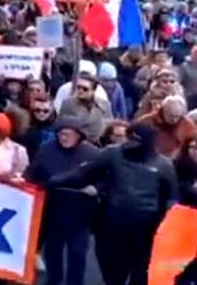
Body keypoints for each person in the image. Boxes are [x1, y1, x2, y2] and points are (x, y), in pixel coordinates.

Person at [48, 122, 179, 285]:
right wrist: (54, 181)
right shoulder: (113, 154)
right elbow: (84, 173)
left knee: (140, 276)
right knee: (113, 275)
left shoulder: (164, 165)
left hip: (146, 230)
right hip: (113, 226)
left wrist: (166, 226)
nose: (129, 146)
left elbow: (172, 198)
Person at [26, 116, 100, 285]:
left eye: (67, 134)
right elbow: (32, 175)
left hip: (80, 213)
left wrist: (96, 188)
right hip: (54, 211)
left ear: (78, 135)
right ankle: (54, 280)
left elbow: (104, 178)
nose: (63, 138)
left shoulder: (92, 153)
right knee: (53, 252)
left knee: (78, 253)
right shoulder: (46, 150)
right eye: (60, 134)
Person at [59, 73, 108, 144]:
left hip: (97, 145)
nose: (80, 91)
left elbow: (108, 126)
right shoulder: (68, 104)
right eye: (78, 87)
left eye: (85, 89)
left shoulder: (104, 105)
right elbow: (61, 125)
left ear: (93, 90)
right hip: (75, 144)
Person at [175, 136, 197, 207]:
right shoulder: (180, 164)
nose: (194, 151)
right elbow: (181, 186)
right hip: (185, 203)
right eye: (192, 147)